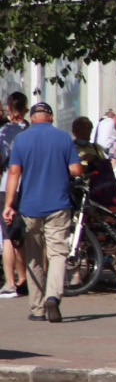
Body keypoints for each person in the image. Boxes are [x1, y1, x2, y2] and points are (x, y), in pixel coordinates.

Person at [2, 102, 84, 322]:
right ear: (50, 117)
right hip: (58, 205)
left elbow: (14, 173)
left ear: (32, 117)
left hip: (30, 207)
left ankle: (37, 309)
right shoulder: (63, 138)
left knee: (34, 258)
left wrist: (9, 205)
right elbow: (76, 169)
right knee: (58, 254)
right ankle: (53, 296)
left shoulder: (22, 139)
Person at [0, 92, 29, 299]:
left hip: (5, 185)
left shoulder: (2, 132)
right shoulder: (31, 130)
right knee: (28, 234)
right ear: (26, 108)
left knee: (9, 235)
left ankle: (10, 283)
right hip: (28, 186)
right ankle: (26, 279)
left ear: (9, 109)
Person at [72, 117, 116, 207]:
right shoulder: (70, 148)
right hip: (78, 191)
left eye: (89, 129)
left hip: (97, 191)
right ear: (75, 132)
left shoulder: (96, 148)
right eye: (84, 130)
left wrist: (95, 159)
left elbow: (105, 166)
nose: (87, 133)